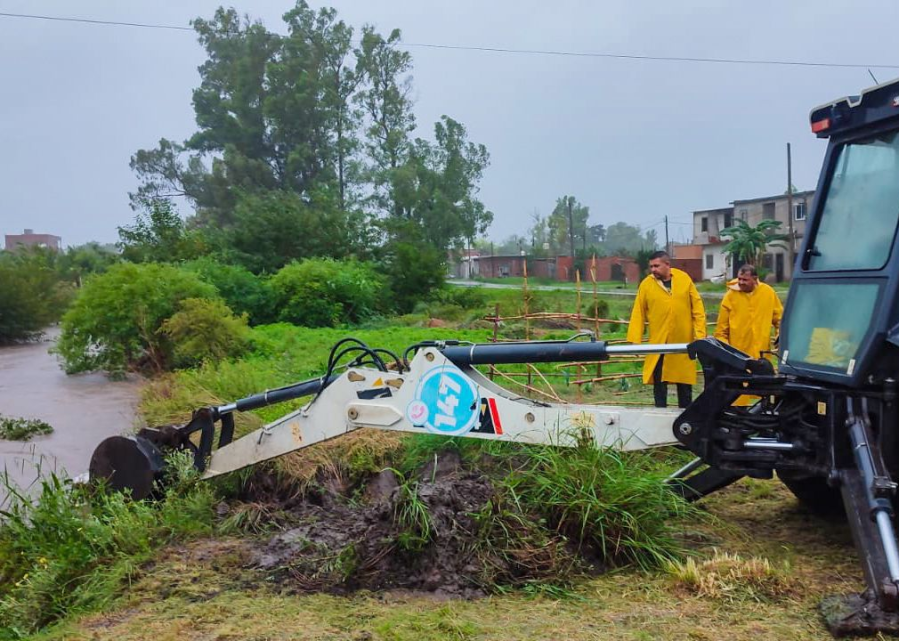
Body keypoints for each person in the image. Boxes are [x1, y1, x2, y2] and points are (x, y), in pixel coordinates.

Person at [627, 251, 707, 408]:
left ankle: (685, 414)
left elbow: (698, 309)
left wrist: (700, 336)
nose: (653, 270)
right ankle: (659, 413)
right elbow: (638, 312)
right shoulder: (646, 284)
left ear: (667, 265)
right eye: (651, 266)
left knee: (684, 384)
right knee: (659, 383)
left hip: (683, 342)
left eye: (656, 266)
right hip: (659, 343)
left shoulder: (684, 279)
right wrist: (634, 340)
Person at [715, 264, 784, 405]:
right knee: (738, 398)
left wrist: (780, 337)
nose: (741, 282)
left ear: (755, 279)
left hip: (761, 358)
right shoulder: (730, 296)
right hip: (737, 358)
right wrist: (728, 354)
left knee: (763, 397)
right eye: (739, 279)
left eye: (745, 280)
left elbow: (780, 320)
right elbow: (721, 331)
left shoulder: (768, 293)